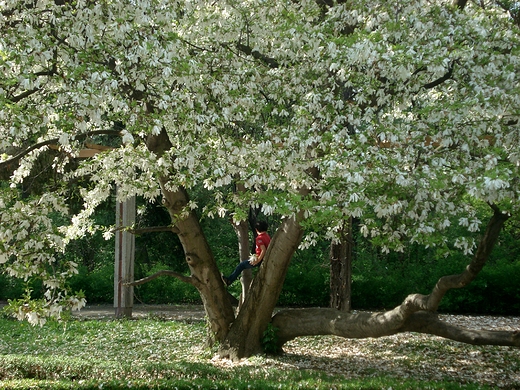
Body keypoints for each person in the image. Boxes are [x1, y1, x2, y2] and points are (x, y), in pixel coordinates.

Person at [222, 220, 271, 286]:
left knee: (241, 266)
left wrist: (258, 260)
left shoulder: (260, 238)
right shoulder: (267, 236)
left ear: (256, 229)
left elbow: (263, 250)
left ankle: (229, 280)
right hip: (263, 258)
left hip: (259, 259)